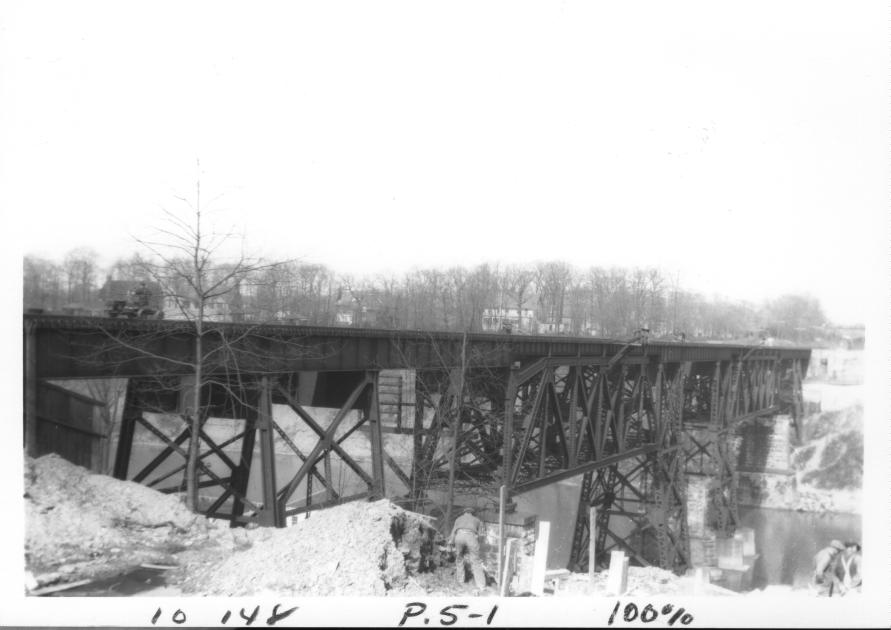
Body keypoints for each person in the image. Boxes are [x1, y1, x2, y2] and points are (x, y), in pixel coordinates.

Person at [448, 506, 487, 591]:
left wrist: (451, 542)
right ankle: (481, 585)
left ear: (464, 512)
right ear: (472, 513)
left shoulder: (458, 519)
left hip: (459, 537)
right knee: (475, 561)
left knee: (459, 559)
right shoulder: (477, 520)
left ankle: (460, 581)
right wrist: (478, 542)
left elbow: (453, 532)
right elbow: (481, 535)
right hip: (471, 537)